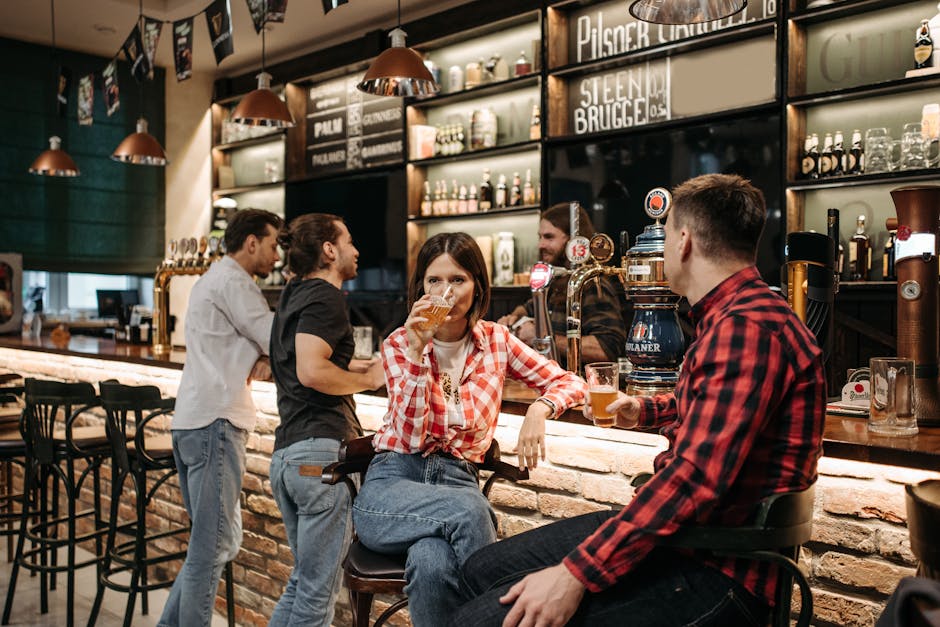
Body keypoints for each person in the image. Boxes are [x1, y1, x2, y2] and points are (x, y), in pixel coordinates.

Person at [451, 173, 827, 627]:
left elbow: (693, 482)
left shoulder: (743, 330)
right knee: (479, 570)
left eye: (666, 233)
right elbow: (717, 412)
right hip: (689, 541)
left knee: (477, 620)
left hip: (719, 569)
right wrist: (643, 409)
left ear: (684, 241)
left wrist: (575, 575)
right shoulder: (737, 316)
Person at [351, 232, 585, 627]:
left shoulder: (496, 340)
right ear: (420, 288)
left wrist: (539, 409)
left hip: (458, 479)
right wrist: (417, 352)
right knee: (469, 509)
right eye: (434, 281)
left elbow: (570, 382)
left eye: (457, 280)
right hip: (393, 485)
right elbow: (408, 437)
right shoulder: (398, 344)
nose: (445, 292)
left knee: (430, 561)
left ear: (477, 286)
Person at [159, 208, 283, 627]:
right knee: (211, 548)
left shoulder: (211, 279)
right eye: (272, 244)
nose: (277, 255)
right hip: (215, 423)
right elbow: (276, 338)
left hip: (192, 420)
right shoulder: (236, 281)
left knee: (214, 543)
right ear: (251, 243)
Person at [267, 213, 385, 626]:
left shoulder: (294, 293)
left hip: (288, 458)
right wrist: (369, 379)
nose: (357, 250)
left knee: (303, 584)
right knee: (317, 596)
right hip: (320, 460)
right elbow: (312, 371)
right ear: (330, 250)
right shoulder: (326, 295)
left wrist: (353, 364)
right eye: (349, 241)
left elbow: (307, 358)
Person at [497, 202, 626, 365]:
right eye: (540, 237)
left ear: (573, 241)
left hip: (580, 385)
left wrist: (541, 338)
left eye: (549, 237)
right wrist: (515, 317)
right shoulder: (556, 280)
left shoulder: (591, 285)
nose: (541, 245)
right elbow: (529, 307)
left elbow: (606, 348)